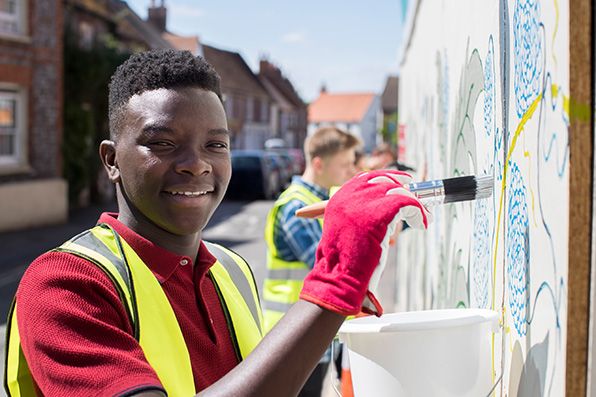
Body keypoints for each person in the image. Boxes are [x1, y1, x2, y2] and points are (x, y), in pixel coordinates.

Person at [5, 49, 430, 397]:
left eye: (216, 144)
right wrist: (334, 285)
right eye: (163, 143)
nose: (196, 165)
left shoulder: (231, 269)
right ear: (112, 160)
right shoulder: (63, 284)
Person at [263, 127, 360, 396]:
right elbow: (331, 267)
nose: (351, 170)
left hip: (311, 335)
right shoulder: (298, 209)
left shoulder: (323, 201)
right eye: (345, 164)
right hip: (292, 338)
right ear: (319, 164)